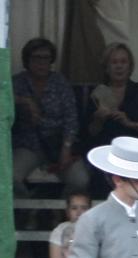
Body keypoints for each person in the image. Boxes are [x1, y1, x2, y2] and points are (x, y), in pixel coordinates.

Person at [11, 37, 89, 198]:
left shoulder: (60, 83)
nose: (41, 62)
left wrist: (66, 148)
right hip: (28, 145)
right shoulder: (18, 82)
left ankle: (60, 213)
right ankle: (27, 211)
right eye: (36, 58)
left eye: (46, 58)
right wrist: (23, 100)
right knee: (9, 178)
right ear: (27, 60)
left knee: (80, 180)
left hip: (58, 143)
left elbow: (71, 118)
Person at [82, 43, 138, 197]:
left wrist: (130, 123)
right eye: (114, 62)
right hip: (105, 153)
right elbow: (87, 134)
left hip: (135, 153)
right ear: (107, 67)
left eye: (123, 62)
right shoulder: (97, 93)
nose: (119, 67)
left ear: (130, 66)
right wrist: (98, 120)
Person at [48, 192, 91, 258]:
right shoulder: (60, 230)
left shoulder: (99, 229)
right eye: (74, 208)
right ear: (67, 211)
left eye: (84, 208)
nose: (79, 213)